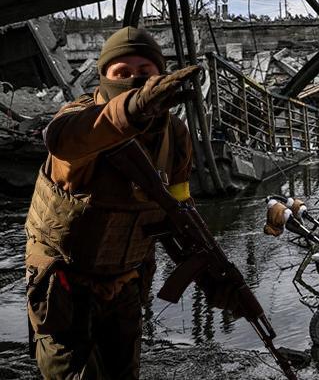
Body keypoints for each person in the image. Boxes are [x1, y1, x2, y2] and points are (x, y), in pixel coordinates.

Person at [24, 26, 200, 379]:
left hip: (126, 279)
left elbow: (180, 204)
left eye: (145, 72)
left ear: (159, 75)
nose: (135, 79)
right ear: (103, 78)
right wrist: (131, 109)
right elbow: (62, 140)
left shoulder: (174, 135)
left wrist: (208, 265)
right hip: (65, 287)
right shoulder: (77, 119)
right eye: (122, 73)